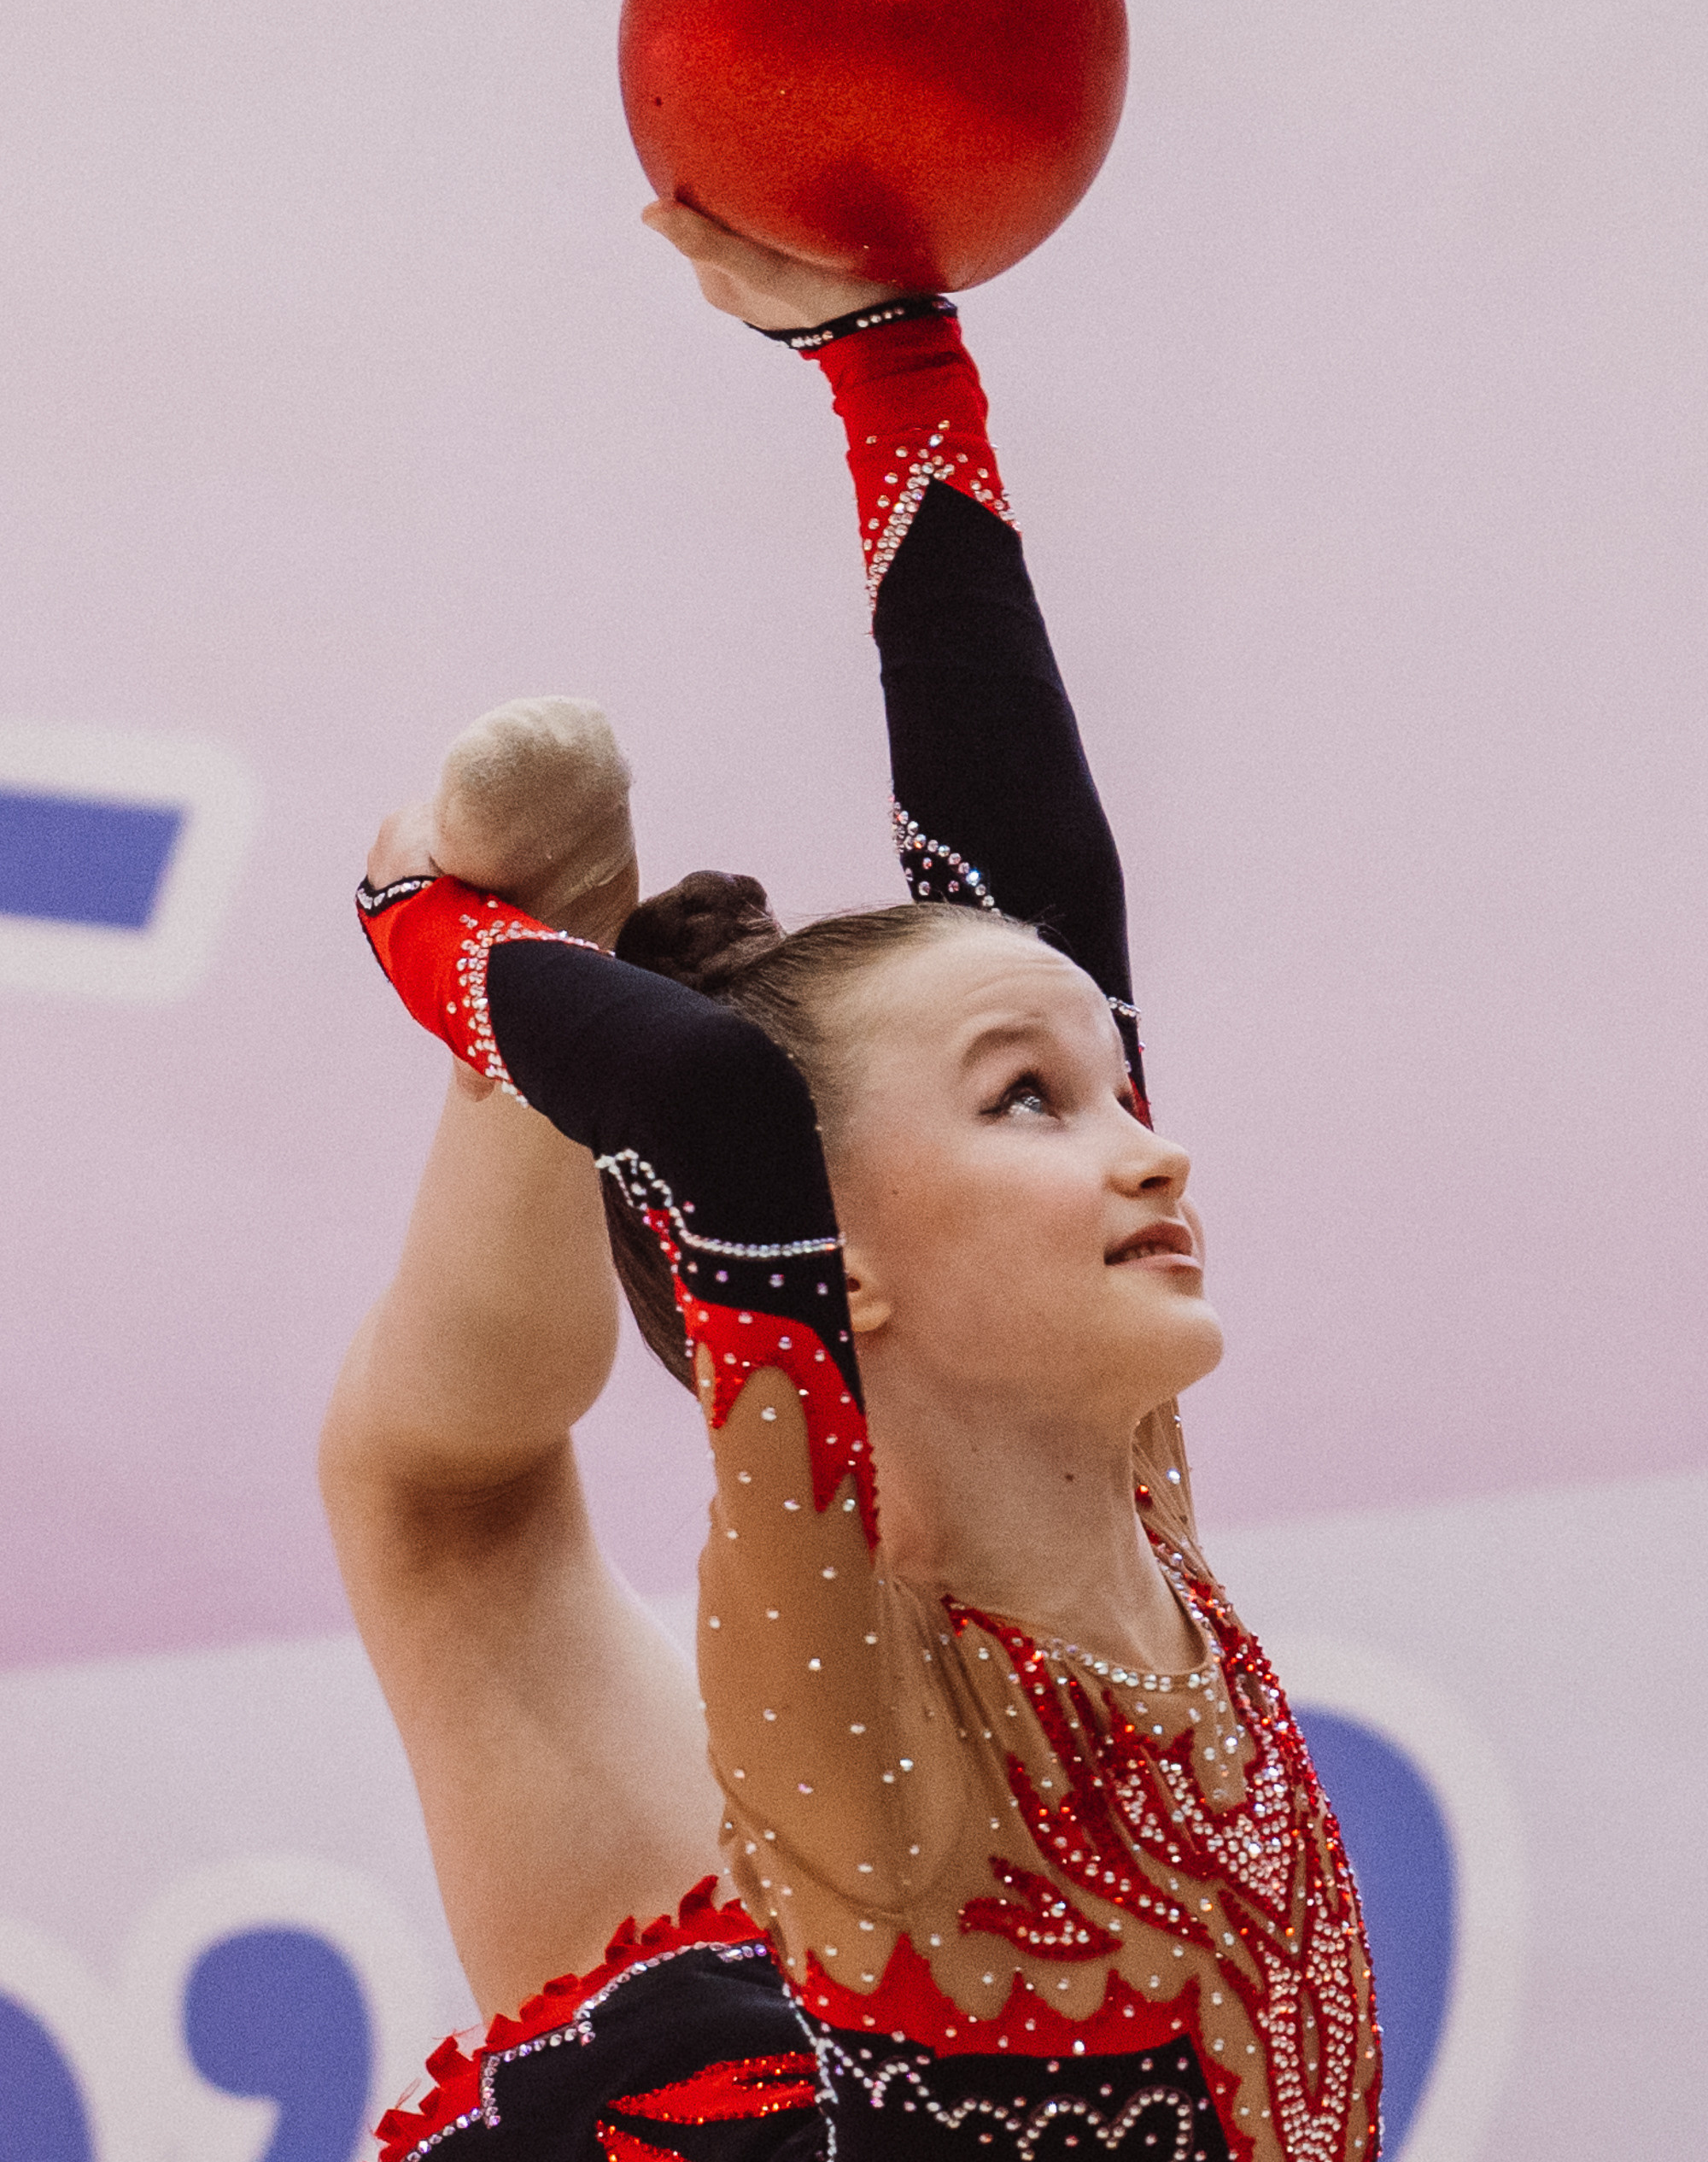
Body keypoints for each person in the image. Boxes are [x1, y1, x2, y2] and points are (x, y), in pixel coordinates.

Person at [327, 209, 1382, 2161]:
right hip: (838, 2009)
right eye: (1030, 1110)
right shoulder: (862, 1659)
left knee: (450, 1519)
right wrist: (429, 929)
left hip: (818, 2075)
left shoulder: (1112, 1489)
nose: (1146, 1134)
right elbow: (731, 1117)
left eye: (1098, 1090)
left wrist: (895, 354)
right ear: (850, 1272)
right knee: (448, 1515)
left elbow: (1039, 895)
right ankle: (550, 945)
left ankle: (554, 966)